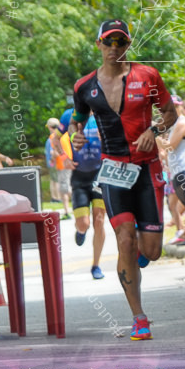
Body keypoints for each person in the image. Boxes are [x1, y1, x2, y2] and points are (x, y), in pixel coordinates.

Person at [68, 19, 178, 341]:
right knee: (125, 240)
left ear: (128, 45)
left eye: (120, 42)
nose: (114, 48)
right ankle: (139, 317)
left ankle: (141, 255)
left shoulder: (147, 76)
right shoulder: (84, 86)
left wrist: (153, 130)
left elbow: (171, 113)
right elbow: (77, 121)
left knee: (152, 251)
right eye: (108, 42)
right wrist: (75, 137)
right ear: (99, 44)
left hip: (147, 168)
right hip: (113, 169)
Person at [65, 112, 106, 279]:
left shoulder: (103, 113)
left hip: (100, 174)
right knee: (83, 224)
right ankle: (81, 231)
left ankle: (96, 265)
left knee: (99, 220)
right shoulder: (69, 116)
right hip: (79, 176)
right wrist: (64, 158)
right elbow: (56, 138)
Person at [156, 97, 185, 246]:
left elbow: (169, 147)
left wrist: (154, 133)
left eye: (175, 107)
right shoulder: (173, 125)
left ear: (180, 108)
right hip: (178, 171)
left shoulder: (182, 123)